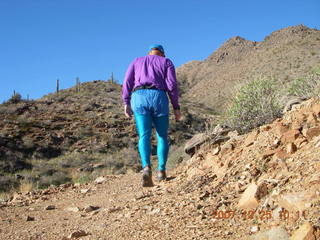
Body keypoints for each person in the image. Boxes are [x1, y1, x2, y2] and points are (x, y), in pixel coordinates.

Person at [122, 44, 181, 187]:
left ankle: (146, 168)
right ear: (162, 53)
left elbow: (127, 82)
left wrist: (126, 102)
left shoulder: (137, 61)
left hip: (139, 98)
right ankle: (161, 171)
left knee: (144, 135)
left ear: (149, 53)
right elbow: (172, 85)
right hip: (159, 98)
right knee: (162, 136)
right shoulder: (166, 62)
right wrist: (176, 107)